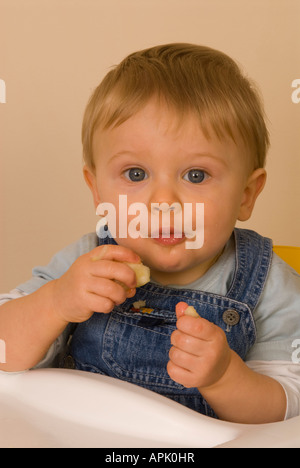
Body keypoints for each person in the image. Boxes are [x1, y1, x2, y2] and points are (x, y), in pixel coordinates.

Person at [1, 43, 300, 424]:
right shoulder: (86, 260)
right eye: (136, 174)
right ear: (97, 190)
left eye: (196, 175)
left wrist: (226, 378)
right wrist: (55, 303)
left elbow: (287, 414)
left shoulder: (272, 285)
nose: (163, 202)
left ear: (246, 194)